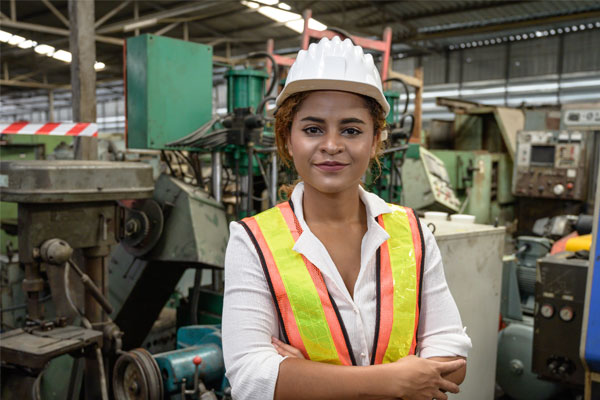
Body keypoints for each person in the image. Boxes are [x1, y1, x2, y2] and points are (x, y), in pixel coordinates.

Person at [222, 36, 471, 400]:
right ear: (288, 140)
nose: (332, 145)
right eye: (313, 129)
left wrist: (306, 375)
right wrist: (392, 381)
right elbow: (251, 377)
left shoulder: (412, 232)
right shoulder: (253, 241)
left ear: (374, 142)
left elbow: (453, 356)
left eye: (351, 130)